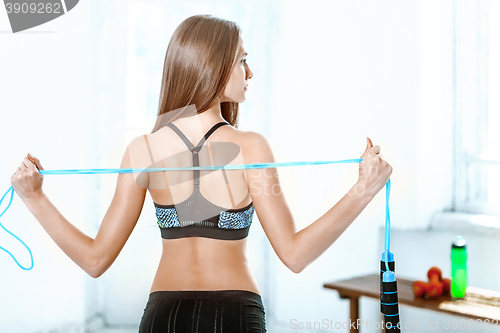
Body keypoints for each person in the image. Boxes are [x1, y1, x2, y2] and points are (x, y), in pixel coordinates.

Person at [10, 14, 392, 333]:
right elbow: (294, 255)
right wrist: (365, 188)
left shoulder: (143, 149)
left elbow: (95, 260)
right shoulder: (250, 147)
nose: (250, 72)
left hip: (164, 318)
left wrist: (34, 197)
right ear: (214, 66)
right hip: (235, 317)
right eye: (242, 60)